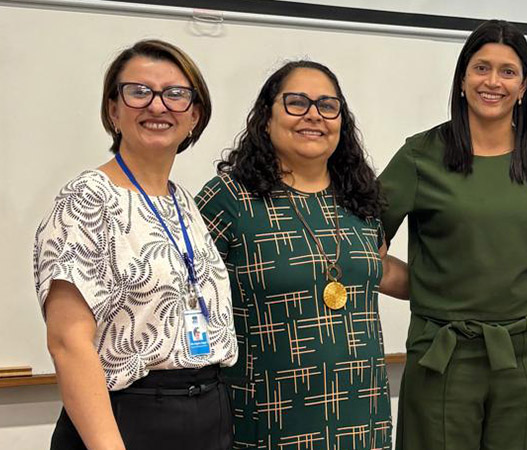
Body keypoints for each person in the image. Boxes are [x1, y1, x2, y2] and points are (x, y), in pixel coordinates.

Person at [379, 20, 527, 449]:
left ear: (524, 85)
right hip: (442, 354)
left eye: (508, 71)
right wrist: (432, 291)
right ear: (462, 79)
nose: (493, 82)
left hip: (526, 357)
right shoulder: (421, 155)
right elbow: (361, 248)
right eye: (481, 68)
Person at [33, 40, 237, 450]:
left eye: (176, 94)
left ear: (195, 116)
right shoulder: (88, 198)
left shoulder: (182, 202)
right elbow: (68, 342)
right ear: (113, 110)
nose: (158, 106)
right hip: (127, 418)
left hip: (207, 412)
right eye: (139, 91)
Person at [196, 60, 396, 449]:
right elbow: (186, 295)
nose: (314, 115)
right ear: (266, 118)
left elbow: (380, 270)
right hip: (268, 421)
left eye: (327, 105)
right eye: (296, 103)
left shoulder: (359, 198)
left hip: (362, 417)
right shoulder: (228, 199)